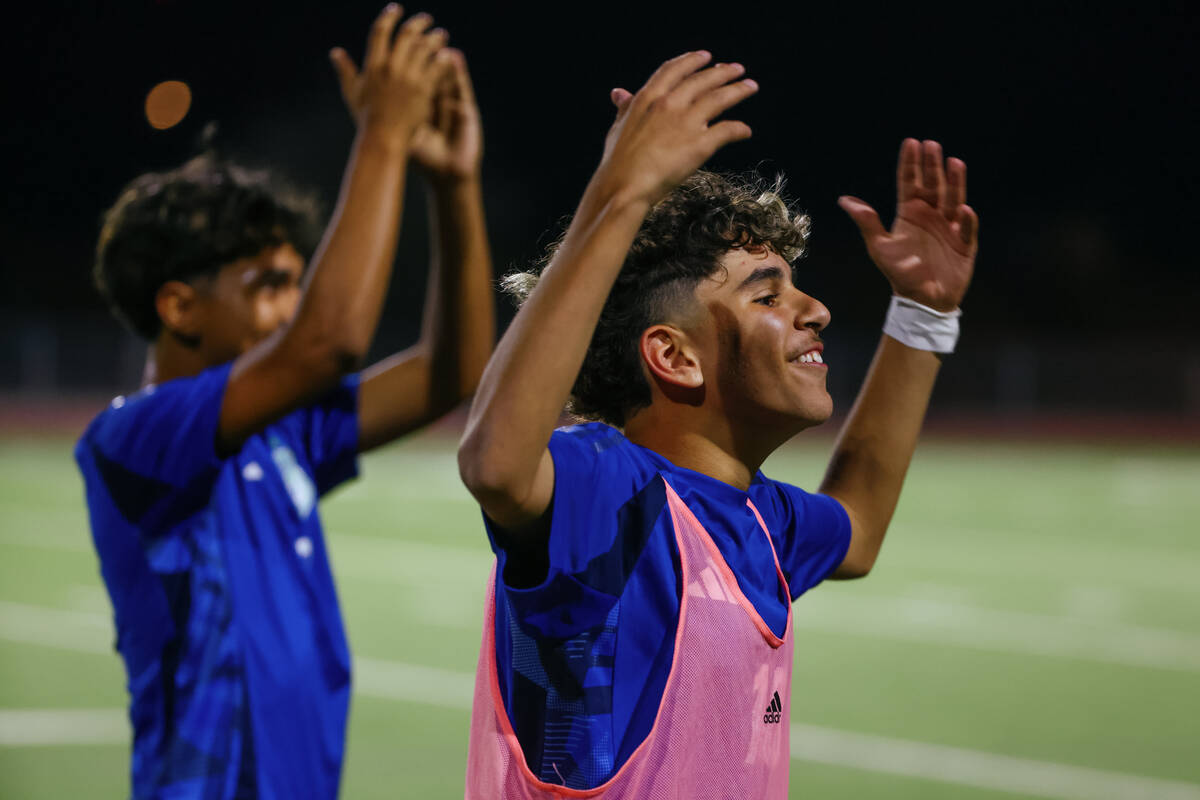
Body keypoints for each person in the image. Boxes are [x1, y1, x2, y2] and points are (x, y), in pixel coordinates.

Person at [457, 51, 977, 797]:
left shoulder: (761, 519)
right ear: (674, 357)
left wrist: (923, 317)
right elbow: (497, 463)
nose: (816, 310)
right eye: (768, 297)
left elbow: (856, 530)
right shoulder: (610, 496)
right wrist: (621, 196)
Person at [74, 6, 494, 797]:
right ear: (179, 307)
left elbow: (453, 371)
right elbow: (325, 342)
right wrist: (382, 137)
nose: (290, 309)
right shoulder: (134, 437)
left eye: (295, 285)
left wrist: (453, 185)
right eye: (268, 286)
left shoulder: (283, 434)